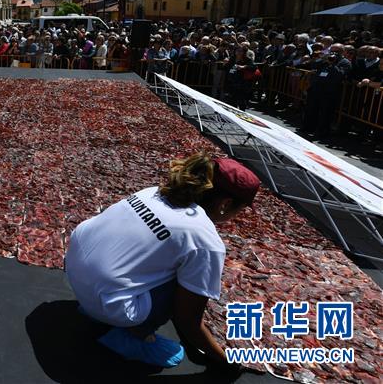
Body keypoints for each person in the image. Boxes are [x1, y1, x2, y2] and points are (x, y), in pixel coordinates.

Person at [65, 154, 260, 372]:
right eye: (240, 210)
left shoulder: (153, 192)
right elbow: (187, 319)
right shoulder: (205, 240)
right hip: (106, 303)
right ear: (225, 204)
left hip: (74, 267)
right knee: (185, 281)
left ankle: (94, 306)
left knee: (168, 259)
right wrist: (227, 361)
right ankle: (134, 337)